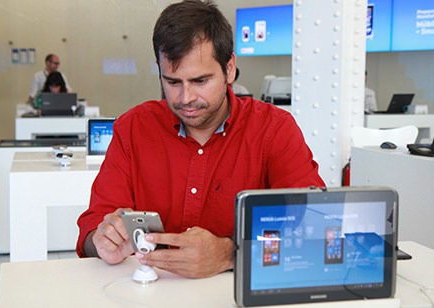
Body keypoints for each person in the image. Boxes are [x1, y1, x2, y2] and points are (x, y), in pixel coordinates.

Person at [76, 0, 325, 279]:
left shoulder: (273, 129)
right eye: (172, 82)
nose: (186, 99)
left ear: (229, 68)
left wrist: (229, 253)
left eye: (200, 81)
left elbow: (312, 227)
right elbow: (93, 227)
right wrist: (101, 240)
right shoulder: (133, 128)